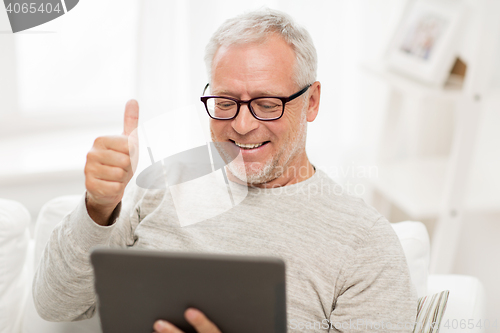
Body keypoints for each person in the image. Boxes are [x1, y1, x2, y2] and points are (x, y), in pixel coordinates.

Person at [33, 8, 417, 333]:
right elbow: (56, 305)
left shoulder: (366, 244)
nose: (243, 125)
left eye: (267, 104)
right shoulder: (165, 182)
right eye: (226, 101)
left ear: (311, 102)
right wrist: (98, 208)